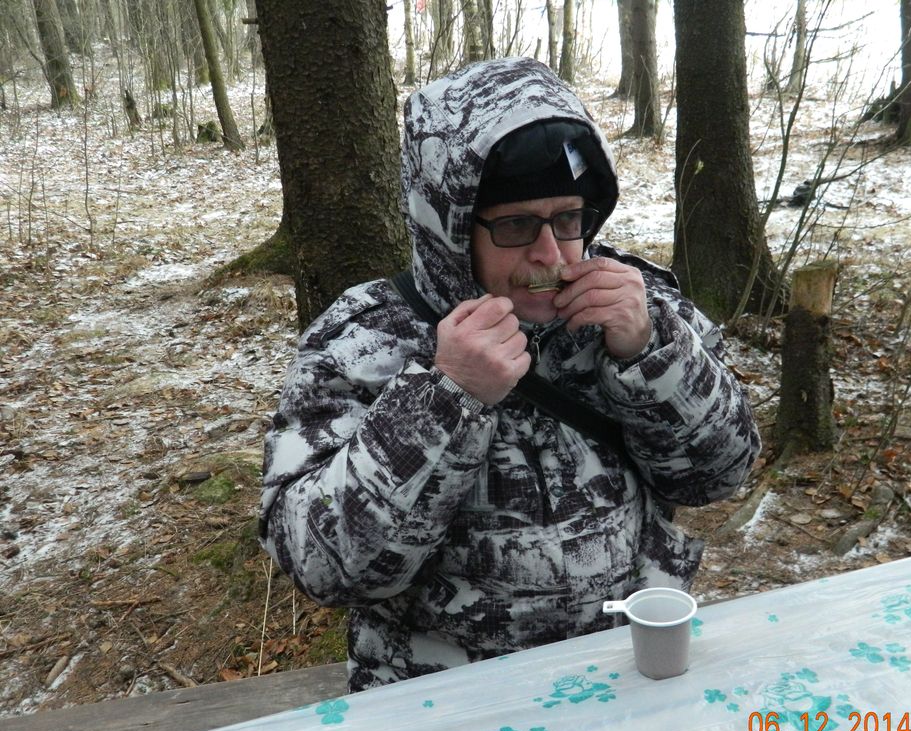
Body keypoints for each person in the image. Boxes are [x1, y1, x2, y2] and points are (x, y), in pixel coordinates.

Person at [260, 57, 761, 693]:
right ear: (451, 229)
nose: (550, 254)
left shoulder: (632, 307)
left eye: (569, 219)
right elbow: (321, 566)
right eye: (516, 225)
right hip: (444, 703)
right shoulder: (365, 339)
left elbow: (719, 477)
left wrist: (650, 354)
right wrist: (447, 397)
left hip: (625, 676)